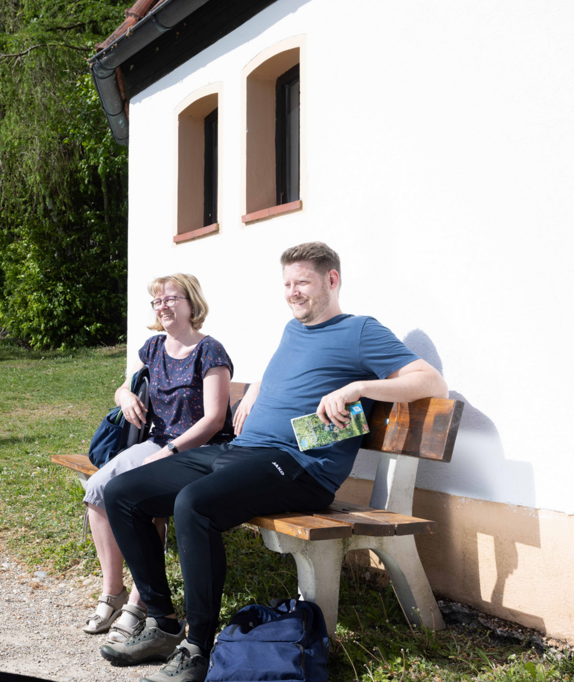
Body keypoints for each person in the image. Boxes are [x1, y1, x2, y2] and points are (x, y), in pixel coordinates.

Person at [100, 242, 449, 682]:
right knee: (122, 493)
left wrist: (357, 388)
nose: (292, 292)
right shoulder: (292, 329)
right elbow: (294, 370)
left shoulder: (360, 330)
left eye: (302, 282)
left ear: (332, 280)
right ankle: (163, 623)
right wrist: (261, 388)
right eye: (287, 283)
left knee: (194, 504)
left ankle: (197, 646)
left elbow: (431, 380)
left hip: (299, 467)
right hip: (242, 453)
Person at [82, 274, 234, 645]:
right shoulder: (153, 348)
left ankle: (141, 600)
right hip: (158, 444)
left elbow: (214, 419)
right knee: (98, 489)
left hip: (197, 451)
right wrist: (124, 398)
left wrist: (170, 452)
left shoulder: (210, 351)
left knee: (142, 500)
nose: (163, 306)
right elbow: (127, 385)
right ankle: (113, 590)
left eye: (171, 299)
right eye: (157, 301)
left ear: (191, 303)